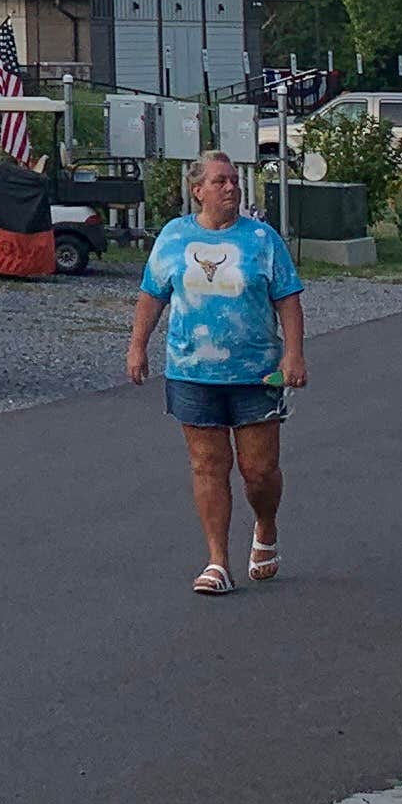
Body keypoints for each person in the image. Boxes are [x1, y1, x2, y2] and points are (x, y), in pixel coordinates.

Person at [126, 149, 309, 595]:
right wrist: (137, 346)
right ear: (198, 191)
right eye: (220, 181)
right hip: (191, 370)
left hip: (254, 372)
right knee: (208, 465)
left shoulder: (262, 239)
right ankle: (217, 561)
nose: (231, 188)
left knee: (259, 471)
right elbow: (153, 295)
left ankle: (265, 525)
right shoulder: (173, 236)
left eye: (234, 181)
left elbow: (287, 298)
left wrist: (294, 354)